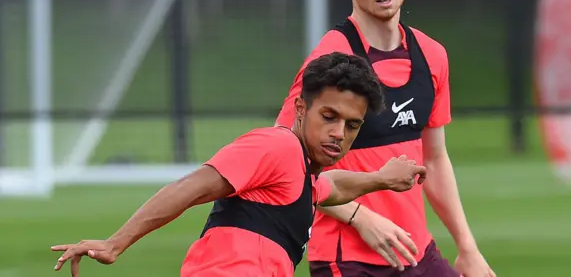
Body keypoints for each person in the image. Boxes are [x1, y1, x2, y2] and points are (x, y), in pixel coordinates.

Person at [51, 52, 429, 277]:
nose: (338, 133)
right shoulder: (276, 145)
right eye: (328, 116)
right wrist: (116, 243)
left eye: (351, 125)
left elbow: (332, 188)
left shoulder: (299, 175)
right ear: (301, 108)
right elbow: (191, 187)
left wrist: (380, 178)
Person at [275, 0, 496, 277]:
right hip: (348, 259)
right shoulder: (331, 59)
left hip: (415, 253)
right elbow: (285, 163)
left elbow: (435, 160)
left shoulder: (432, 55)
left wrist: (468, 248)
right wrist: (361, 218)